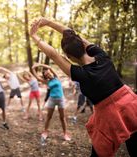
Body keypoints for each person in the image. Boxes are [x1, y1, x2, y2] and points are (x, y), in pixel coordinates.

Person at [30, 17, 137, 157]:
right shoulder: (102, 55)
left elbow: (53, 55)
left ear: (69, 56)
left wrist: (34, 36)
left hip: (110, 115)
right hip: (131, 104)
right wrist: (48, 23)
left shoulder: (80, 74)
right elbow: (73, 35)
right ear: (82, 44)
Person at [32, 63, 71, 143]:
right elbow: (37, 78)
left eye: (48, 73)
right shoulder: (47, 82)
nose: (48, 74)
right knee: (49, 117)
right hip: (52, 100)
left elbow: (49, 67)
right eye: (47, 74)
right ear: (46, 77)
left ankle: (65, 134)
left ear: (51, 72)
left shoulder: (57, 77)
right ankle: (45, 132)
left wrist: (40, 65)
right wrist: (33, 68)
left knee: (62, 118)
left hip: (60, 100)